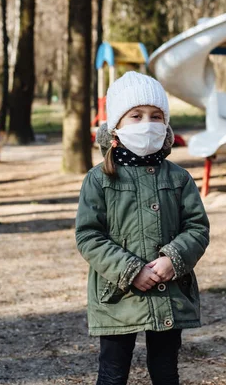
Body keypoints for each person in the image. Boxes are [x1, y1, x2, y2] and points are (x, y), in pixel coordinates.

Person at [75, 71, 210, 385]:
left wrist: (173, 259)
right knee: (112, 373)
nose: (147, 123)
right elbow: (88, 235)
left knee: (165, 371)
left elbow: (197, 227)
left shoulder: (178, 178)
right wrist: (130, 269)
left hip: (169, 288)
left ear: (166, 125)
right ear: (116, 128)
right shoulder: (99, 179)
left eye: (155, 116)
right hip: (117, 294)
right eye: (136, 116)